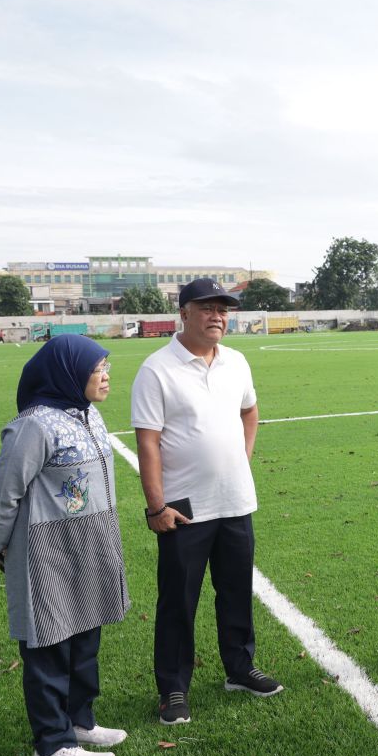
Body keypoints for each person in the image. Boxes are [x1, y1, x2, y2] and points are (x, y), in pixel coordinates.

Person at [131, 277, 281, 726]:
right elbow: (148, 442)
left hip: (235, 500)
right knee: (178, 600)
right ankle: (173, 689)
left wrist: (243, 457)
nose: (218, 316)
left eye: (224, 309)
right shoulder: (156, 369)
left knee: (235, 592)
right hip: (183, 507)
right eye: (207, 308)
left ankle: (240, 668)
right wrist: (156, 506)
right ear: (184, 313)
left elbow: (250, 411)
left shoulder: (236, 362)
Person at [0, 335, 129, 756]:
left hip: (93, 546)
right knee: (48, 647)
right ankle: (51, 749)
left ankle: (79, 722)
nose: (106, 376)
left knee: (85, 642)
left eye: (106, 366)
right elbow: (3, 491)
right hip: (49, 553)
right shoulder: (35, 426)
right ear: (67, 373)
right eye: (97, 368)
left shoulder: (89, 414)